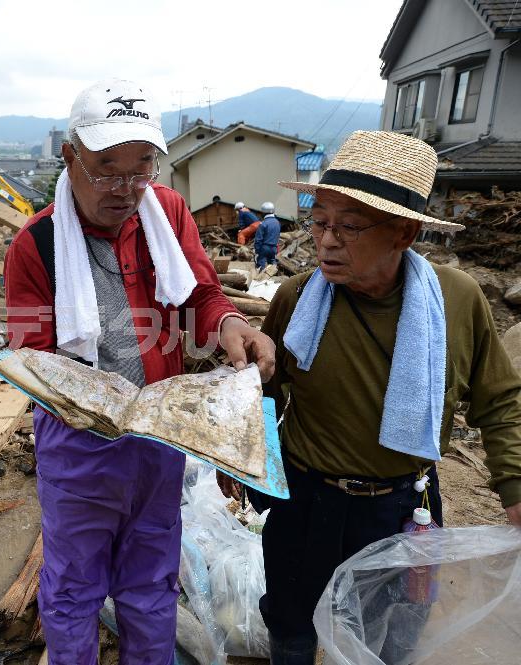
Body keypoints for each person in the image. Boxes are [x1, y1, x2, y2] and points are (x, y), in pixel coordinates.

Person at [217, 130, 521, 664]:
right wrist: (244, 460)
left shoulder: (455, 300)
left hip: (403, 508)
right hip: (304, 502)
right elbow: (268, 392)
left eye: (349, 226)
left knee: (393, 633)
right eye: (319, 221)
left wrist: (516, 488)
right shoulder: (297, 298)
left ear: (404, 232)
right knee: (291, 621)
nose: (325, 241)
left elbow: (498, 401)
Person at [4, 79, 276, 664]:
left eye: (140, 169)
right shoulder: (37, 244)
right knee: (75, 587)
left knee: (151, 582)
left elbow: (201, 292)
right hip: (78, 447)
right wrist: (94, 406)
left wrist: (229, 324)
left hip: (159, 438)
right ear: (69, 156)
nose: (125, 190)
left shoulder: (168, 212)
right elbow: (34, 359)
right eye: (106, 169)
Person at [254, 201, 280, 270]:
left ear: (263, 212)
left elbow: (258, 239)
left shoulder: (263, 223)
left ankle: (260, 278)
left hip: (264, 248)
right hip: (274, 248)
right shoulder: (277, 222)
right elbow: (277, 236)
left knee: (260, 266)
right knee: (272, 266)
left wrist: (257, 251)